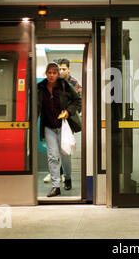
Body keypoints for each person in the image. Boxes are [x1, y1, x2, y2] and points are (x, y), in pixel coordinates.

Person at [38, 62, 81, 197]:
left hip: (63, 125)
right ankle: (56, 186)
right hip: (49, 127)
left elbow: (77, 100)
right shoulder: (40, 87)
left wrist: (68, 111)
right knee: (52, 156)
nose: (51, 75)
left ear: (57, 74)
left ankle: (67, 178)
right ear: (46, 73)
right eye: (49, 72)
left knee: (65, 154)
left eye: (54, 73)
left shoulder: (64, 85)